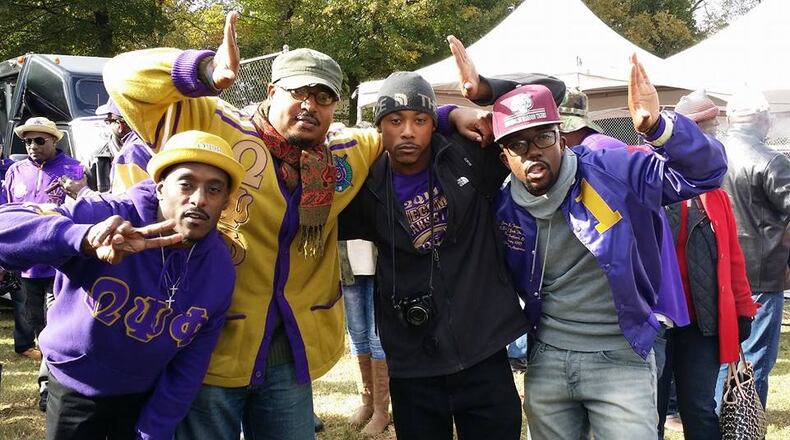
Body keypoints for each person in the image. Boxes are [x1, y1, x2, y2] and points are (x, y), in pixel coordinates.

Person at [103, 12, 487, 440]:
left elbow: (400, 128)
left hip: (291, 351)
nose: (310, 105)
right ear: (271, 92)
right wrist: (207, 70)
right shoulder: (213, 125)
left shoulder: (345, 151)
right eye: (299, 92)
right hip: (210, 343)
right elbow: (121, 77)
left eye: (323, 97)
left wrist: (450, 114)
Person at [452, 41, 727, 437]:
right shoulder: (501, 206)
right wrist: (459, 106)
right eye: (518, 144)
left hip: (621, 356)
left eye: (544, 137)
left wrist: (659, 128)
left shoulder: (611, 170)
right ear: (504, 157)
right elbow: (426, 136)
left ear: (562, 137)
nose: (534, 153)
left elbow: (706, 173)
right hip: (547, 358)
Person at [0, 129, 244, 440]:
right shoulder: (108, 215)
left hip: (141, 397)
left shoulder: (220, 269)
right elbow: (5, 230)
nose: (199, 199)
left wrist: (155, 430)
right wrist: (83, 239)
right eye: (186, 184)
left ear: (225, 201)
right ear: (160, 188)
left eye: (214, 189)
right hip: (73, 389)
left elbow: (191, 362)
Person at [340, 71, 534, 440]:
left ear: (433, 126)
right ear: (380, 127)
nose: (408, 132)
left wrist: (472, 99)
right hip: (413, 363)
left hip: (483, 349)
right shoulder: (366, 187)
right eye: (395, 121)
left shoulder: (469, 156)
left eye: (421, 120)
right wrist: (443, 114)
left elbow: (543, 94)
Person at [654, 89, 759, 440]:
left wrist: (743, 309)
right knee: (648, 410)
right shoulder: (646, 179)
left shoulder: (715, 193)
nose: (715, 134)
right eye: (710, 127)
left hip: (702, 322)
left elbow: (732, 256)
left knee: (699, 407)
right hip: (655, 323)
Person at [720, 88, 790, 409]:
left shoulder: (713, 153)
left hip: (718, 271)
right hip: (760, 275)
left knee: (725, 358)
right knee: (756, 360)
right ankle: (743, 427)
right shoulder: (771, 160)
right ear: (762, 120)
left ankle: (722, 422)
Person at [2, 117, 83, 361]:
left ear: (54, 141)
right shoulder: (16, 170)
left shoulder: (73, 168)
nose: (32, 146)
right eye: (28, 141)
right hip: (25, 259)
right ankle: (41, 349)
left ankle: (54, 354)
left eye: (39, 140)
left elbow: (82, 207)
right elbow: (6, 211)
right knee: (31, 313)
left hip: (58, 259)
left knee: (56, 310)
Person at [339, 239, 389, 434]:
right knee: (357, 334)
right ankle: (367, 402)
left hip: (378, 263)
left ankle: (381, 411)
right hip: (346, 263)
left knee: (376, 337)